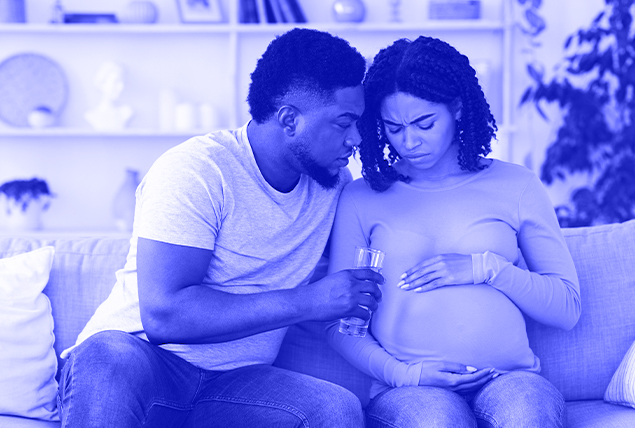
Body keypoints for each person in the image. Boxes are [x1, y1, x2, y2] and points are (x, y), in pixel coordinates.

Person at [58, 28, 383, 428]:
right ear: (289, 119)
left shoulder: (332, 184)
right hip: (141, 365)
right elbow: (165, 316)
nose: (355, 139)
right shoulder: (198, 170)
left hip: (235, 385)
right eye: (343, 122)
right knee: (107, 354)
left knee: (335, 408)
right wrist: (309, 300)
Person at [326, 36, 581, 428]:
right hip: (411, 389)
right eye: (394, 127)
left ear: (458, 109)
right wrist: (404, 375)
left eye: (424, 123)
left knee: (527, 417)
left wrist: (487, 268)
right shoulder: (361, 197)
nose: (409, 142)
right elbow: (340, 322)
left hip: (511, 380)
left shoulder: (517, 185)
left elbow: (566, 309)